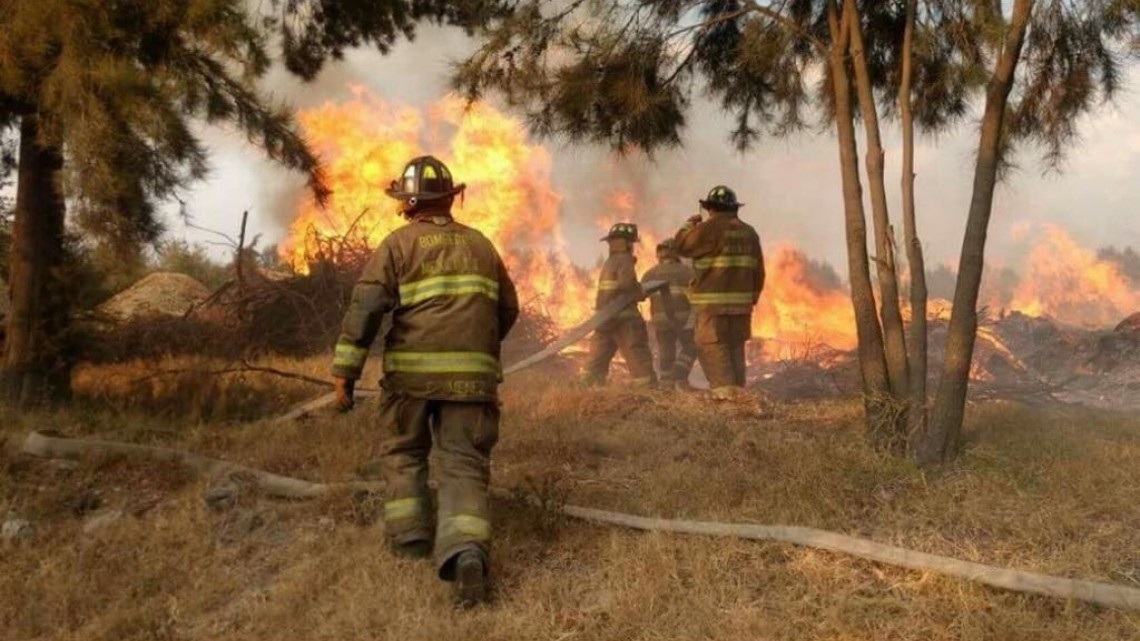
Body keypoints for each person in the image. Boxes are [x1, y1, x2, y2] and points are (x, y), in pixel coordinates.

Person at [331, 155, 519, 606]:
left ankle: (410, 539)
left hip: (411, 380)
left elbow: (365, 312)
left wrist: (345, 375)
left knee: (404, 453)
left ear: (409, 202)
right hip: (472, 382)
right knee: (463, 464)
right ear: (449, 199)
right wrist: (477, 349)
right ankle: (465, 551)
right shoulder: (481, 245)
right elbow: (508, 309)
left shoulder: (397, 245)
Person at [674, 186, 765, 399]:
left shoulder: (709, 229)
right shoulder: (750, 233)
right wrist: (750, 300)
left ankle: (729, 406)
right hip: (741, 308)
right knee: (735, 352)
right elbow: (759, 271)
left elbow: (680, 246)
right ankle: (740, 399)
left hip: (711, 308)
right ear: (734, 208)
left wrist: (690, 224)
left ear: (711, 209)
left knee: (713, 350)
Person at [581, 223, 657, 387]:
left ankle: (587, 385)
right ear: (628, 243)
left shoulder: (610, 262)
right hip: (624, 317)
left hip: (605, 317)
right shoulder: (624, 259)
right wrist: (640, 293)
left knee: (599, 354)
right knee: (636, 350)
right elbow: (627, 284)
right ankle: (646, 387)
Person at [640, 239, 697, 388]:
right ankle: (678, 373)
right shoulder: (687, 272)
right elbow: (696, 296)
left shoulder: (649, 273)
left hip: (659, 320)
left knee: (666, 351)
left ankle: (666, 384)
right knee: (692, 346)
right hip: (682, 319)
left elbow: (640, 295)